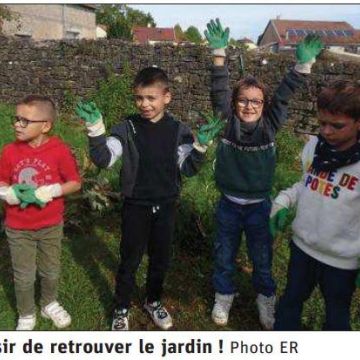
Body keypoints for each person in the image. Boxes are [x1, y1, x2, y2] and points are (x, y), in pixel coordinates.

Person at [75, 66, 223, 331]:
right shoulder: (126, 127)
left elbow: (187, 168)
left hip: (166, 206)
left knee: (160, 259)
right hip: (136, 206)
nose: (144, 104)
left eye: (151, 98)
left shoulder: (179, 130)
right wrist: (95, 128)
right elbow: (104, 159)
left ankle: (153, 300)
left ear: (167, 97)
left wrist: (200, 147)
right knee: (129, 260)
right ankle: (121, 308)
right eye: (139, 98)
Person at [204, 18, 323, 330]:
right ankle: (223, 296)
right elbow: (218, 90)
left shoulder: (269, 127)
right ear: (234, 104)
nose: (248, 105)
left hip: (259, 206)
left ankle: (266, 301)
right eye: (242, 100)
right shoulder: (227, 123)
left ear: (263, 105)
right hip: (228, 205)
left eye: (255, 101)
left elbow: (283, 96)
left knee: (262, 260)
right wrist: (219, 54)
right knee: (224, 256)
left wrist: (302, 66)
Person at [271, 79, 360, 330]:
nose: (327, 131)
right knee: (291, 301)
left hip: (341, 261)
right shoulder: (314, 147)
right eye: (322, 123)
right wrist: (283, 201)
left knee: (336, 314)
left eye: (337, 125)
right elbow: (306, 183)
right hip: (303, 248)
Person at [0, 95, 81, 330]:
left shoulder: (59, 150)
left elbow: (74, 183)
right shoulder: (9, 152)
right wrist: (8, 194)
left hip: (50, 225)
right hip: (18, 227)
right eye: (16, 119)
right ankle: (26, 313)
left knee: (51, 269)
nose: (17, 124)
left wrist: (53, 191)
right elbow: (1, 181)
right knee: (23, 274)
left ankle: (49, 303)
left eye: (25, 121)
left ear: (45, 125)